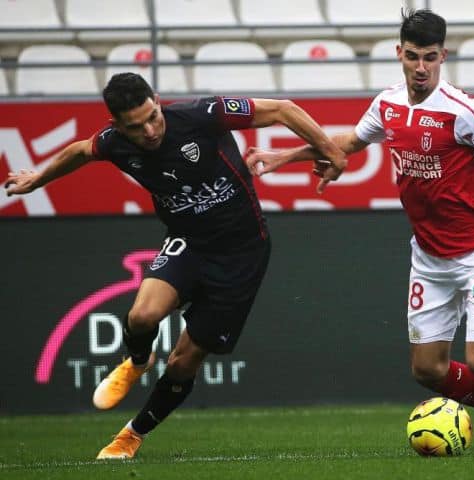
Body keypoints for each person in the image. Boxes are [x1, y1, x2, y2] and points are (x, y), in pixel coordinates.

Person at [244, 9, 474, 452]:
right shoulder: (388, 104)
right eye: (413, 56)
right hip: (430, 258)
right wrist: (282, 156)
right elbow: (346, 144)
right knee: (428, 370)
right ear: (399, 53)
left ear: (443, 57)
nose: (421, 68)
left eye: (430, 58)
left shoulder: (466, 112)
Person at [4, 72, 346, 459]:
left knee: (183, 361)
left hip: (242, 253)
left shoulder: (202, 115)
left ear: (157, 100)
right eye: (137, 126)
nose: (149, 130)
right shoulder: (114, 143)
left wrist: (331, 152)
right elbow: (81, 151)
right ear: (118, 125)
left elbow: (283, 109)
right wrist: (38, 179)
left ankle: (130, 436)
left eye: (153, 116)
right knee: (141, 318)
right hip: (189, 244)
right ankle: (136, 360)